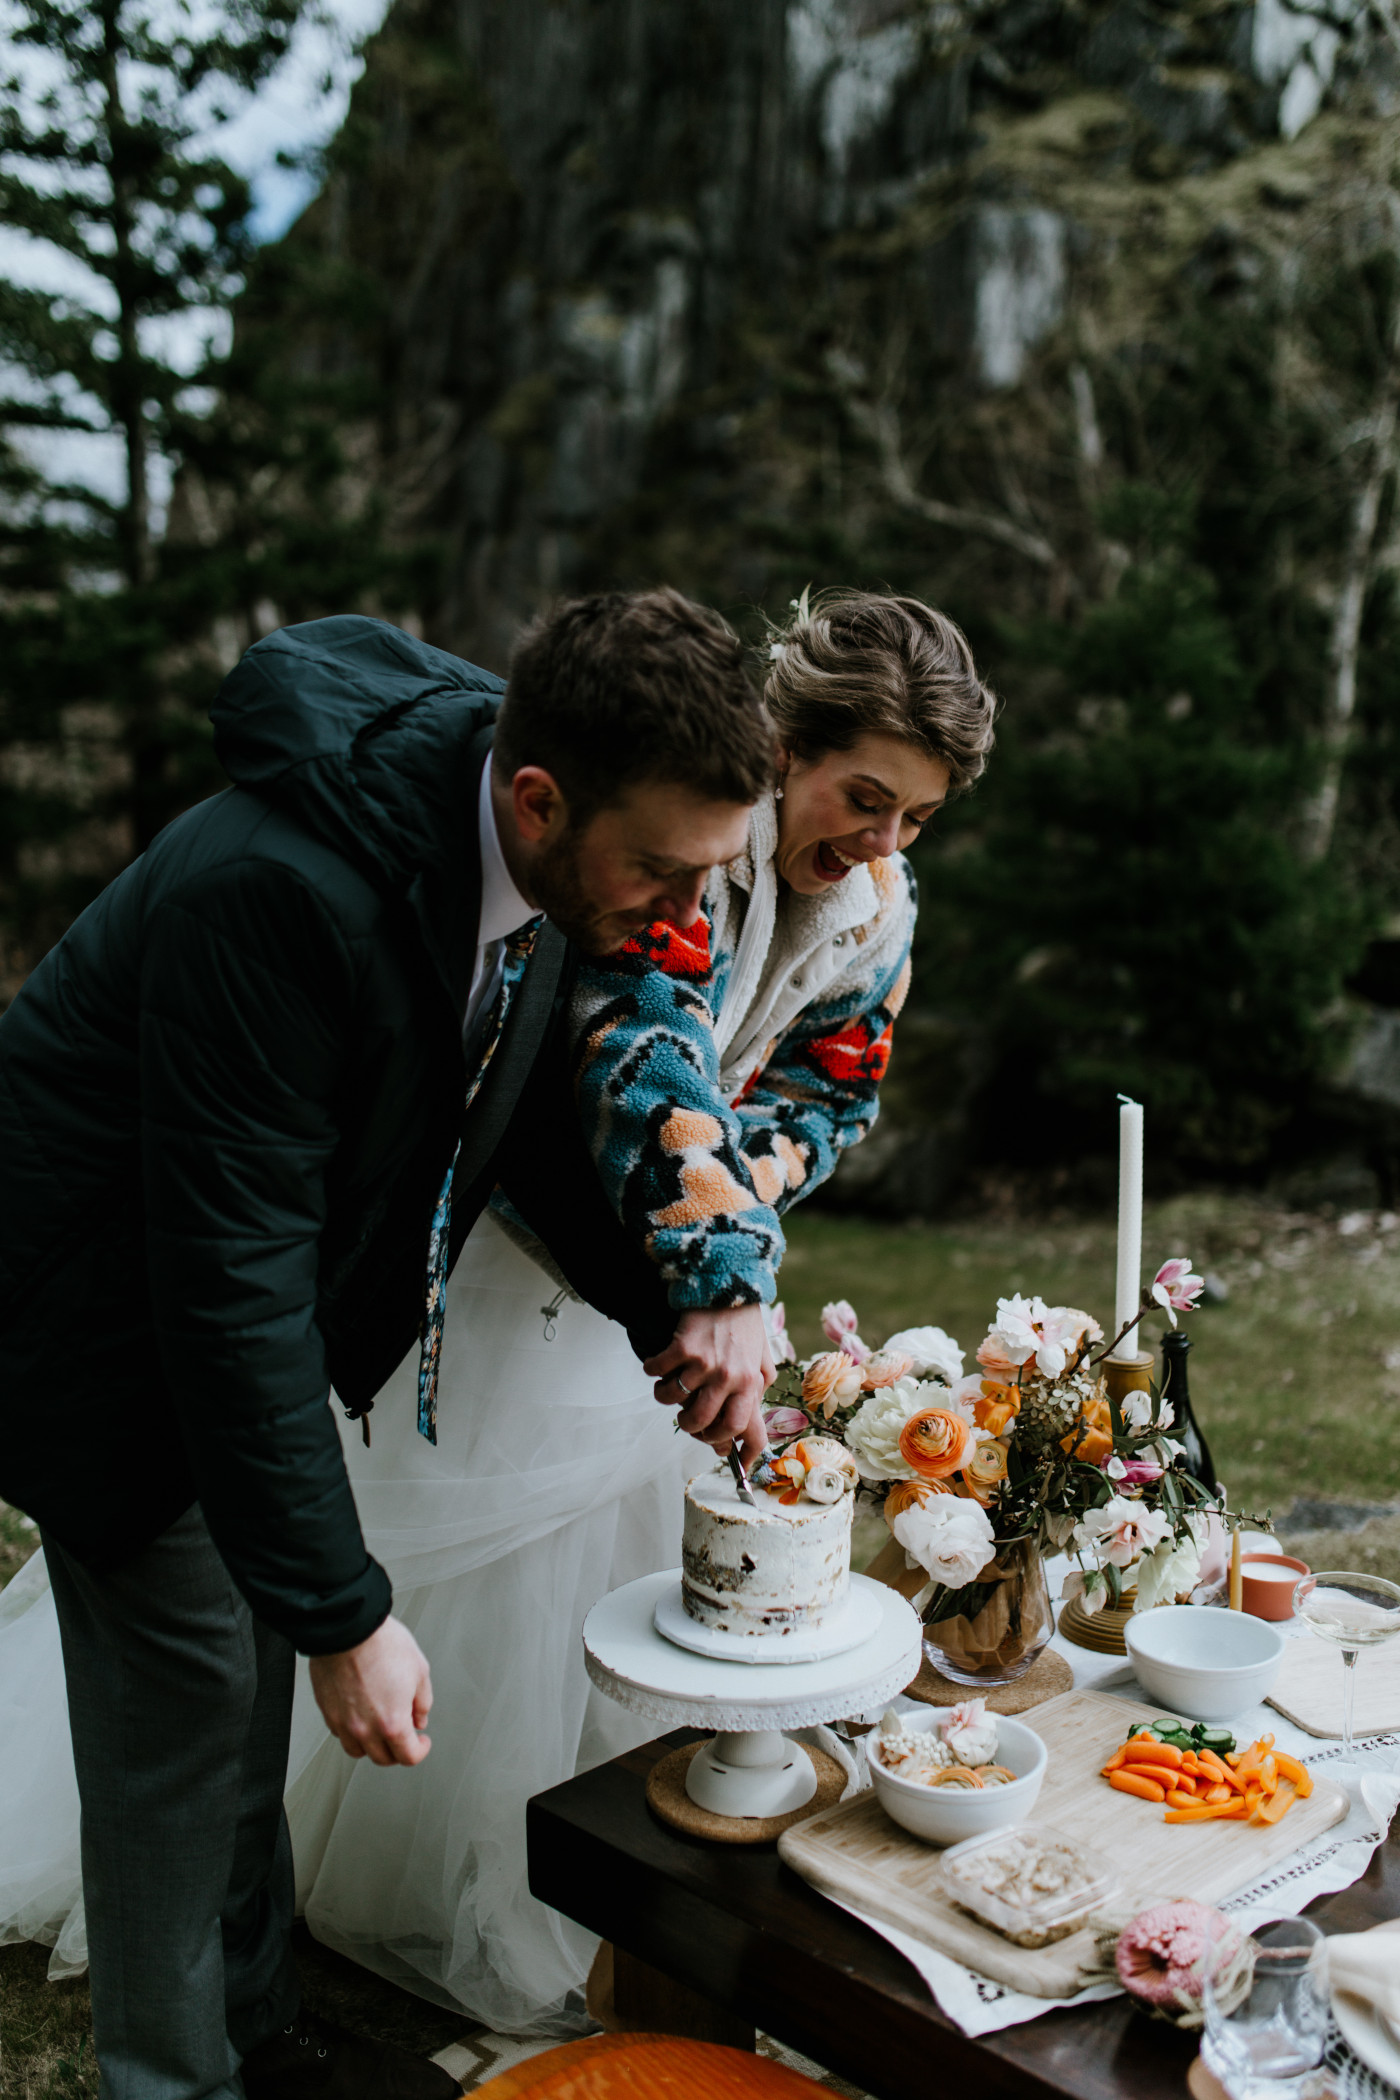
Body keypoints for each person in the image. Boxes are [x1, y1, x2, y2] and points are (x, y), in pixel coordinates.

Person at [0, 590, 778, 2100]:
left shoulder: (537, 868)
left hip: (218, 1311)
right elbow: (229, 1282)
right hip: (97, 1335)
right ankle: (173, 2075)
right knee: (180, 1737)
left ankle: (259, 2020)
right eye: (664, 868)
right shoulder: (278, 893)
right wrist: (345, 1615)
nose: (682, 912)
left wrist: (670, 1298)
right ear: (539, 799)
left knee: (236, 1714)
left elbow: (521, 1129)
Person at [276, 590, 998, 2032]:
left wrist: (742, 1197)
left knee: (630, 1589)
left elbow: (834, 1084)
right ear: (783, 745)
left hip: (676, 1264)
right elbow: (641, 1050)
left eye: (915, 819)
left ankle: (627, 1892)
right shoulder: (680, 857)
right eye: (866, 798)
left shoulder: (880, 912)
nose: (884, 845)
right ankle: (383, 1875)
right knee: (477, 1578)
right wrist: (725, 1270)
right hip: (525, 1256)